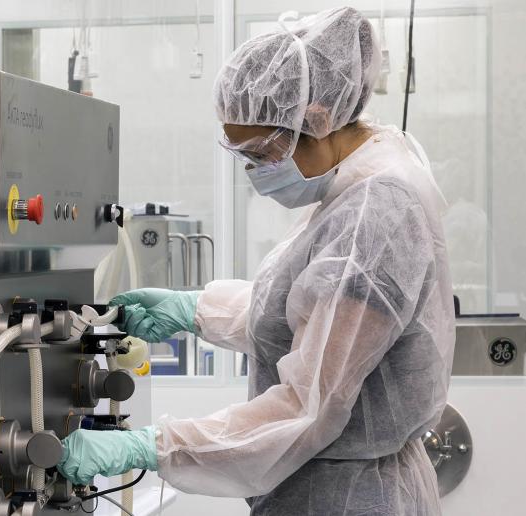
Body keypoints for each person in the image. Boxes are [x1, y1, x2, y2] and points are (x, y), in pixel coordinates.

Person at [58, 6, 455, 515]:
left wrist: (155, 447)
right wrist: (194, 311)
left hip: (348, 499)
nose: (255, 172)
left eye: (263, 154)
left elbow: (308, 404)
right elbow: (315, 319)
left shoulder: (374, 215)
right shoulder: (353, 187)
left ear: (317, 119)